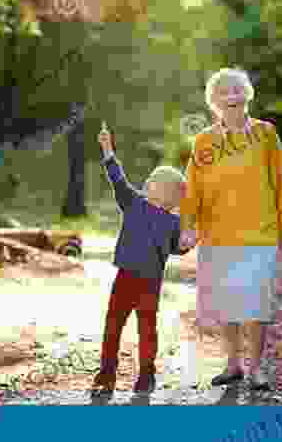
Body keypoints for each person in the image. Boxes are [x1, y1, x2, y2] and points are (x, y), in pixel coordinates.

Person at [180, 67, 282, 388]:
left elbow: (281, 183)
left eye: (236, 90)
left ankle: (256, 368)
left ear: (247, 96)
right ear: (213, 102)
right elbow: (193, 187)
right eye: (223, 92)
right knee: (226, 303)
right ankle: (233, 365)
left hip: (260, 234)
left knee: (257, 303)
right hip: (217, 236)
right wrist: (188, 227)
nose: (231, 95)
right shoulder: (204, 141)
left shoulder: (266, 134)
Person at [91, 123, 194, 394]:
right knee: (113, 325)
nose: (146, 183)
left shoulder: (172, 222)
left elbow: (176, 247)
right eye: (149, 181)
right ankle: (107, 373)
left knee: (147, 330)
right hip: (125, 276)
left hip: (150, 283)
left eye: (153, 182)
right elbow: (117, 180)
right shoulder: (133, 202)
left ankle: (146, 375)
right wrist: (107, 150)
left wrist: (187, 243)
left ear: (168, 196)